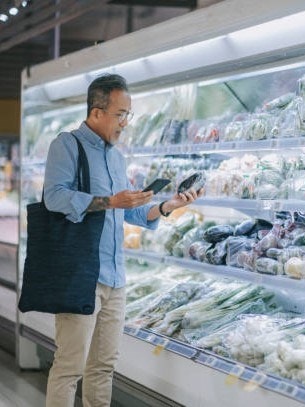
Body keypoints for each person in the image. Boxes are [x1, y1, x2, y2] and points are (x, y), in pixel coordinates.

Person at [43, 73, 201, 407]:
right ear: (97, 112)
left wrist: (166, 206)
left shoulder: (117, 157)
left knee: (103, 366)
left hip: (115, 278)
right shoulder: (66, 145)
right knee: (70, 367)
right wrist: (110, 200)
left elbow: (128, 213)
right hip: (79, 277)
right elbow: (54, 198)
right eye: (120, 114)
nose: (125, 123)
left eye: (129, 115)